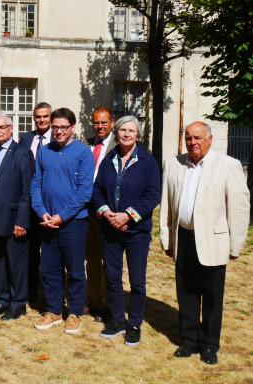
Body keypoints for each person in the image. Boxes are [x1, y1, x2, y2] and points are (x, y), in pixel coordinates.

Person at [160, 121, 250, 365]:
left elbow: (239, 208)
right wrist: (166, 238)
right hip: (184, 238)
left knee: (212, 296)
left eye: (198, 138)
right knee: (186, 292)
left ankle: (209, 345)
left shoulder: (228, 165)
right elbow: (166, 205)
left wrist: (236, 244)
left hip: (213, 241)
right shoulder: (174, 164)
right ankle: (188, 340)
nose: (193, 142)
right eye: (189, 138)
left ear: (210, 139)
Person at [92, 115, 160, 346]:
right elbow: (97, 189)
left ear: (138, 135)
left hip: (136, 232)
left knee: (137, 281)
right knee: (112, 278)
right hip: (110, 229)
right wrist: (105, 211)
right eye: (122, 130)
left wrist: (127, 215)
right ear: (117, 133)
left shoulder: (148, 162)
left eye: (131, 130)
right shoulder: (109, 159)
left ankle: (134, 324)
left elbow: (152, 195)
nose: (126, 134)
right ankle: (118, 320)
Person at [31, 108, 94, 334]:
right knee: (49, 268)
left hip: (73, 223)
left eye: (63, 127)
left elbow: (84, 191)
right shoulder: (44, 151)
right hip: (47, 221)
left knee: (75, 269)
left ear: (72, 128)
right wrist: (41, 211)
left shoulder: (83, 153)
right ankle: (54, 311)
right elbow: (36, 182)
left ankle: (75, 312)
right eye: (55, 127)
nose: (58, 131)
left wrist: (62, 216)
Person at [0, 114, 34, 320]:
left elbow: (26, 190)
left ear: (11, 129)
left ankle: (18, 303)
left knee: (16, 263)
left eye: (2, 127)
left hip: (14, 221)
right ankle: (2, 300)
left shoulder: (21, 153)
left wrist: (22, 220)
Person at [85, 106, 117, 321]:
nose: (100, 126)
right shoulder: (88, 143)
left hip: (110, 210)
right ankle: (96, 301)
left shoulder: (119, 145)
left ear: (112, 123)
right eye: (96, 122)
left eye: (104, 122)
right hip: (89, 210)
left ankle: (111, 303)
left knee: (111, 260)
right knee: (93, 258)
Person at [18, 101, 52, 300]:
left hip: (49, 203)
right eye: (38, 117)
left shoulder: (57, 138)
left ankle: (50, 292)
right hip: (29, 202)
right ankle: (31, 289)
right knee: (29, 250)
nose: (41, 120)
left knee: (49, 251)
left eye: (45, 116)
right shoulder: (26, 138)